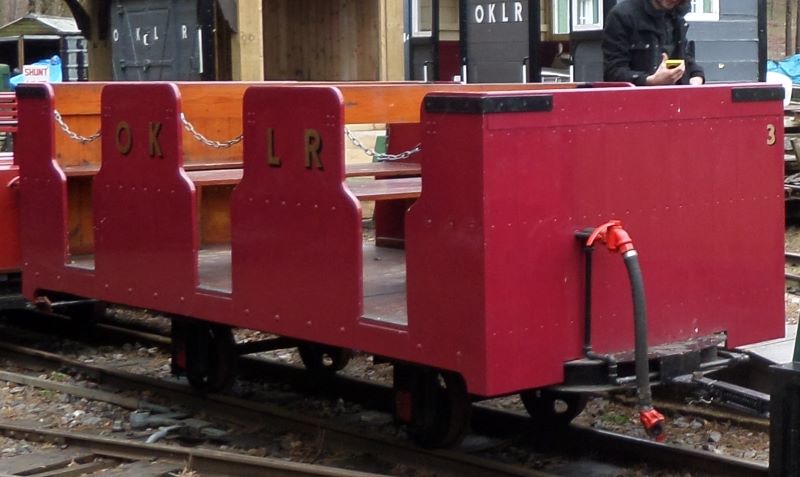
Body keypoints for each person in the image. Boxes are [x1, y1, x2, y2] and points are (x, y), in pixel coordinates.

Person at [602, 0, 705, 86]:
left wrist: (696, 75)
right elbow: (613, 72)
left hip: (677, 101)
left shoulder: (677, 15)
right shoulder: (622, 15)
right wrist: (650, 80)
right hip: (638, 103)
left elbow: (683, 56)